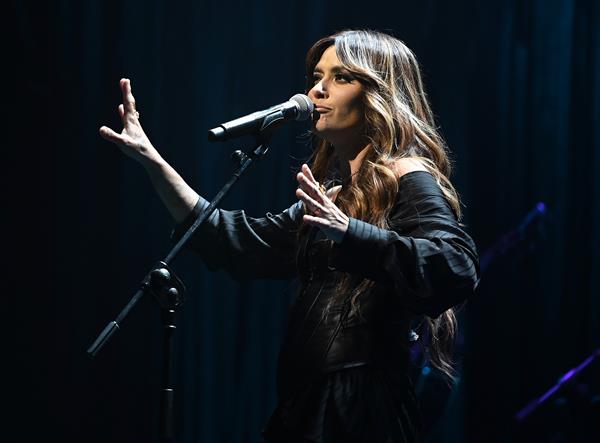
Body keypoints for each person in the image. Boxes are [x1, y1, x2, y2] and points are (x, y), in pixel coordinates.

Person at [99, 29, 479, 443]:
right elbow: (238, 242)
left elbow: (455, 264)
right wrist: (152, 162)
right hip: (307, 402)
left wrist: (349, 231)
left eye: (340, 78)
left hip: (360, 408)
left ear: (379, 93)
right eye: (317, 76)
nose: (318, 89)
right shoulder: (333, 194)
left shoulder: (408, 173)